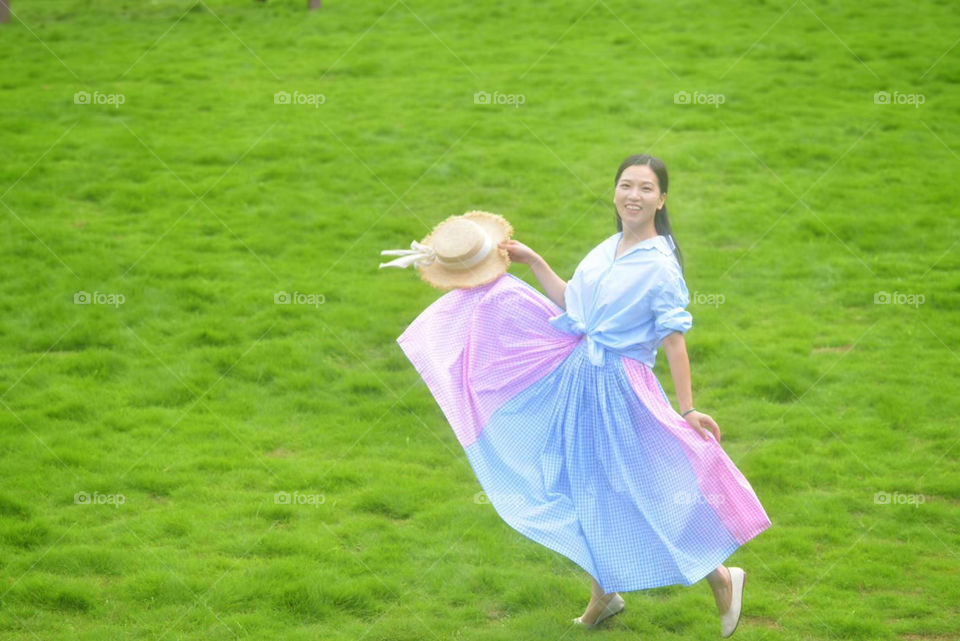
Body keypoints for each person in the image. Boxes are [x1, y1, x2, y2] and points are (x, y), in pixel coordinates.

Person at [393, 154, 771, 637]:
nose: (633, 195)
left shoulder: (659, 266)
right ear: (615, 191)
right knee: (584, 487)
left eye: (646, 188)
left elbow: (674, 339)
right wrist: (534, 261)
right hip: (581, 379)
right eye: (626, 185)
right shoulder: (609, 247)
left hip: (620, 388)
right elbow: (573, 301)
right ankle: (604, 593)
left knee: (638, 487)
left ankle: (720, 577)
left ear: (661, 200)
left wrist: (688, 407)